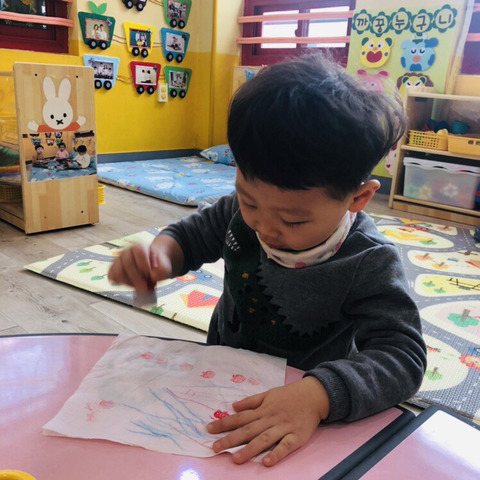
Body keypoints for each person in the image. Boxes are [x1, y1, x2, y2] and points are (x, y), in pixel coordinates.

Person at [108, 54, 427, 467]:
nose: (263, 227)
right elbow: (190, 237)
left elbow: (402, 355)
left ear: (358, 198)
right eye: (249, 200)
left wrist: (319, 396)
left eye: (292, 219)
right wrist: (159, 257)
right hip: (220, 383)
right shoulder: (238, 214)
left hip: (303, 411)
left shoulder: (368, 260)